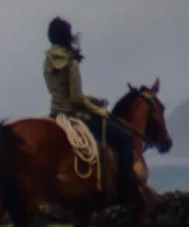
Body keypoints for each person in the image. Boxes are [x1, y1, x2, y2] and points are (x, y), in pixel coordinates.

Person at [42, 17, 142, 205]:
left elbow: (64, 94)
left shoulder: (47, 61)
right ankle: (125, 189)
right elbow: (76, 100)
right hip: (73, 117)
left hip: (55, 115)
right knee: (126, 140)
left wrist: (92, 99)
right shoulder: (71, 63)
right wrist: (98, 110)